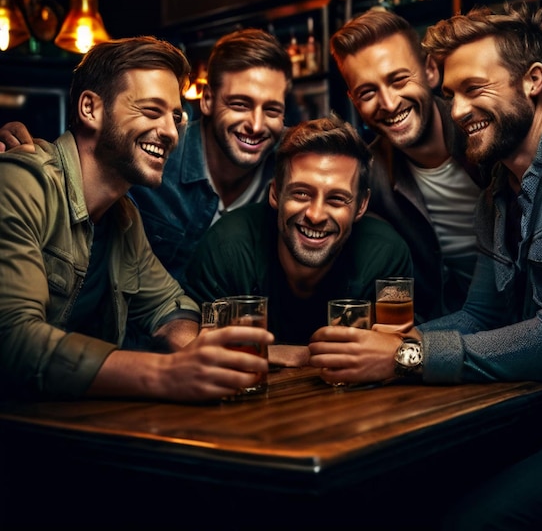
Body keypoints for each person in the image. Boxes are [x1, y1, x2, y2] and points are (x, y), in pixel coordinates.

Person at [310, 3, 542, 529]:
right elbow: (481, 314)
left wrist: (404, 356)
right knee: (395, 490)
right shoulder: (497, 189)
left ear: (533, 81)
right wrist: (384, 345)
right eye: (451, 94)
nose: (457, 112)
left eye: (474, 90)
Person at [0, 36, 274, 402]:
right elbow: (13, 339)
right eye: (150, 111)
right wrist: (167, 374)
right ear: (90, 109)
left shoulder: (124, 218)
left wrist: (204, 353)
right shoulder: (21, 183)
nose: (171, 132)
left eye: (176, 117)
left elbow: (171, 307)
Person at [329, 7, 542, 319]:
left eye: (399, 79)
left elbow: (537, 115)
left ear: (430, 70)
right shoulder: (367, 181)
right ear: (353, 101)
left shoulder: (495, 135)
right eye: (367, 92)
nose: (388, 103)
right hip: (459, 340)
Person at [0, 27, 292, 282]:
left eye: (272, 110)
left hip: (222, 332)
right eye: (240, 104)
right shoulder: (156, 154)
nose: (255, 125)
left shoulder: (293, 166)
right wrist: (31, 156)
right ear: (208, 101)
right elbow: (89, 156)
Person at [183, 113, 413, 366]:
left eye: (337, 199)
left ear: (361, 206)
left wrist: (271, 353)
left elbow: (395, 351)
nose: (315, 215)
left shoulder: (386, 255)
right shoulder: (226, 248)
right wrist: (301, 356)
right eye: (301, 193)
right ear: (275, 193)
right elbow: (203, 354)